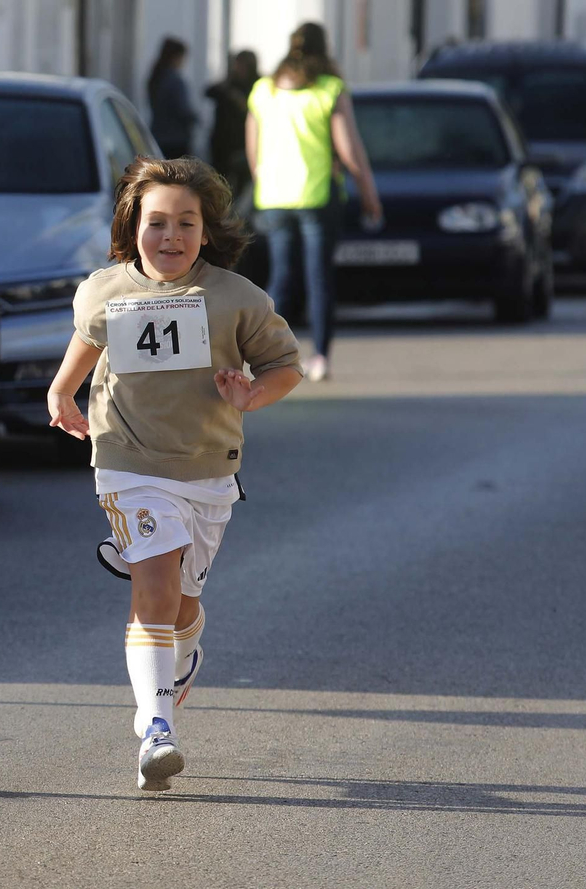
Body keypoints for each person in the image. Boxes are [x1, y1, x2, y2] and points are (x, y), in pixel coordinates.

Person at [46, 156, 303, 792]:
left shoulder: (236, 297)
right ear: (133, 227)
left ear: (206, 231)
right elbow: (90, 336)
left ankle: (180, 654)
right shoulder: (104, 289)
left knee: (183, 605)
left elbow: (285, 367)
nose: (171, 237)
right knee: (155, 582)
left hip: (208, 468)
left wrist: (251, 396)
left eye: (186, 224)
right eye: (156, 223)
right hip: (127, 460)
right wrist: (61, 393)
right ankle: (157, 728)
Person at [246, 22, 380, 382]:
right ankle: (320, 356)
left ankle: (268, 356)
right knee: (319, 278)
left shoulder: (263, 90)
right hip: (317, 197)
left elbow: (253, 151)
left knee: (281, 276)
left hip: (273, 197)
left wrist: (266, 182)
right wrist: (369, 195)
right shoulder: (329, 90)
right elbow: (350, 152)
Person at [205, 50, 261, 204]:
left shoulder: (257, 85)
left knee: (243, 188)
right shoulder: (229, 84)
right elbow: (209, 91)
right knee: (220, 183)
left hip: (243, 142)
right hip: (222, 144)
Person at [147, 36, 198, 159]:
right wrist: (195, 118)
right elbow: (183, 110)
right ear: (175, 57)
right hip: (176, 141)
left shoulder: (156, 78)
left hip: (158, 137)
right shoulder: (175, 81)